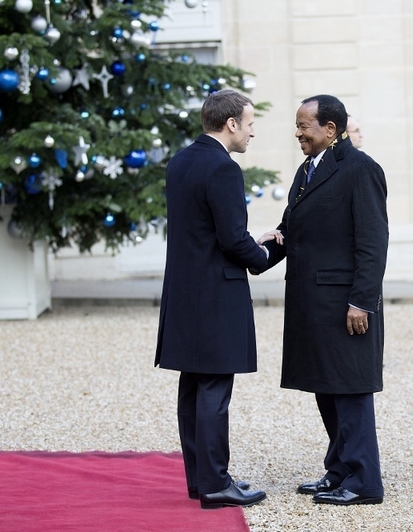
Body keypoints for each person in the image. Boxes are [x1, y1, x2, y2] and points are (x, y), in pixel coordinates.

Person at [260, 95, 388, 505]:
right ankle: (339, 471)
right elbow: (290, 229)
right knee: (327, 390)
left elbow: (373, 243)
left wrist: (362, 302)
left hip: (345, 306)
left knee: (349, 392)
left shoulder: (362, 170)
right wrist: (255, 252)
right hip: (311, 304)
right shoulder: (306, 169)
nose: (297, 133)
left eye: (304, 126)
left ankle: (364, 481)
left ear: (330, 130)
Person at [155, 89, 269, 510]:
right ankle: (218, 484)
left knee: (192, 387)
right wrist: (266, 252)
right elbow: (233, 241)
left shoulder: (181, 161)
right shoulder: (223, 167)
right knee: (214, 391)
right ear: (232, 124)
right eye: (251, 124)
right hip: (216, 293)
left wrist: (247, 241)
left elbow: (202, 231)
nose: (253, 133)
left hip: (184, 291)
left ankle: (199, 480)